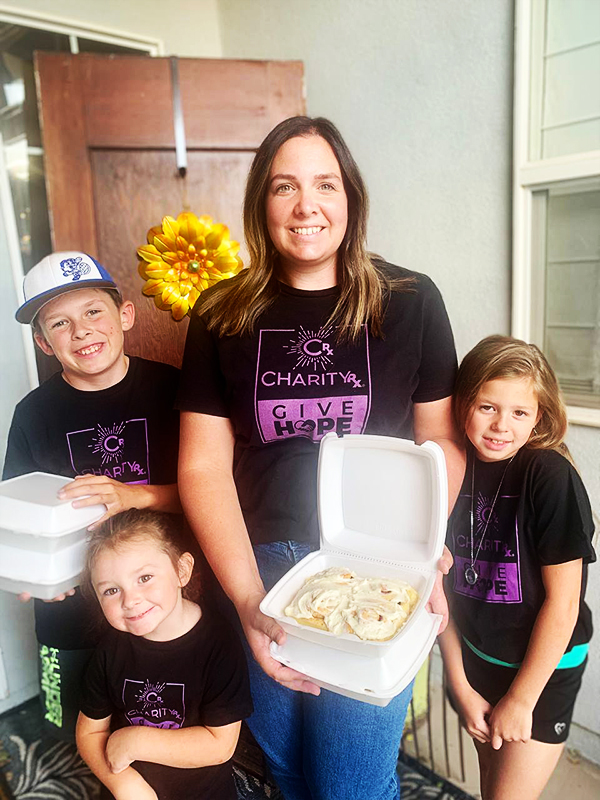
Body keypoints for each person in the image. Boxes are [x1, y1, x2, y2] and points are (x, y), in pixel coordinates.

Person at [176, 115, 465, 800]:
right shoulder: (220, 312)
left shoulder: (411, 301)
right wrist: (248, 600)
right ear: (261, 204)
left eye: (325, 184)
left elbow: (443, 443)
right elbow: (202, 467)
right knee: (286, 768)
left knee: (352, 785)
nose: (307, 205)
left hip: (378, 562)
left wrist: (419, 548)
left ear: (351, 198)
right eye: (284, 187)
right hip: (262, 564)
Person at [3, 251, 181, 740]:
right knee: (72, 724)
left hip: (158, 596)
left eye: (93, 312)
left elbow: (213, 494)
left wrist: (135, 496)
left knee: (158, 720)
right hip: (71, 604)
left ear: (124, 316)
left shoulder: (174, 389)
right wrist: (30, 570)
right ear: (42, 342)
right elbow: (15, 510)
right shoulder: (32, 414)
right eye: (59, 323)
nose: (81, 331)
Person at [438, 335, 595, 800]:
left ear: (538, 418)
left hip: (542, 673)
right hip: (474, 663)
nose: (501, 425)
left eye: (519, 413)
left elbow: (564, 605)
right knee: (492, 789)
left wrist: (522, 698)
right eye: (487, 407)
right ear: (463, 403)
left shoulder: (549, 476)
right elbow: (437, 592)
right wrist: (460, 685)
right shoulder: (447, 467)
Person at [76, 509, 253, 800]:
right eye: (110, 590)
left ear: (181, 571)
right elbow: (89, 734)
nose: (130, 600)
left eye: (144, 577)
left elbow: (220, 745)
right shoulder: (110, 649)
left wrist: (135, 741)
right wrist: (122, 783)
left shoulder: (219, 644)